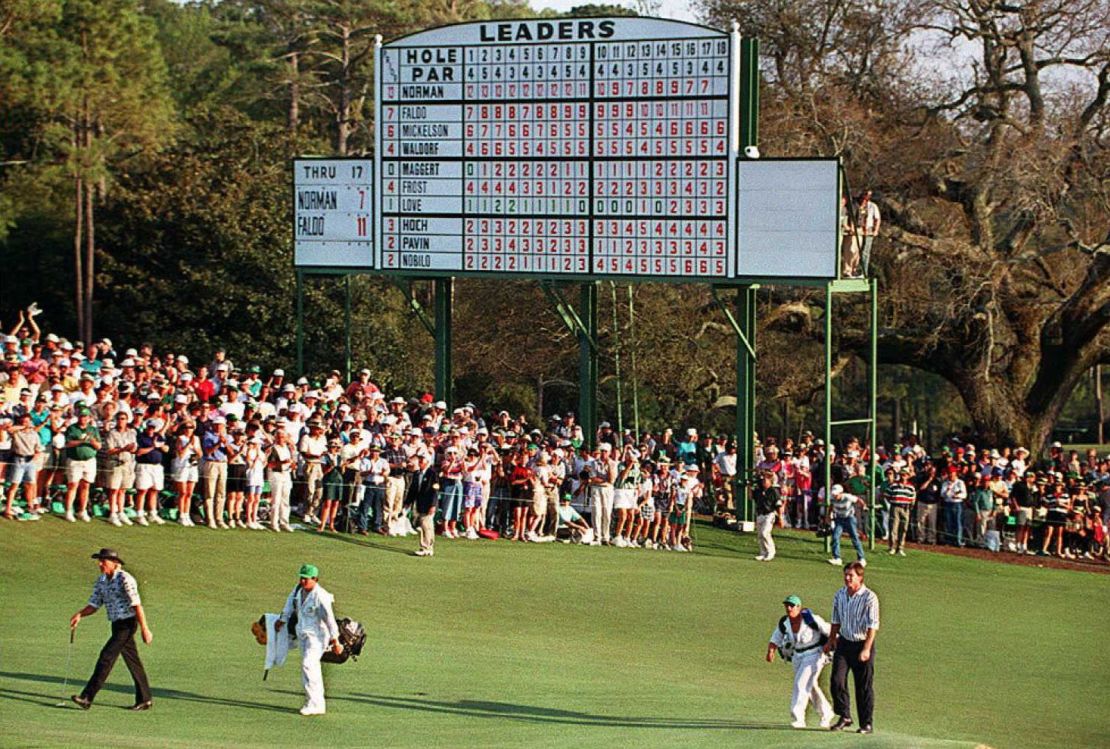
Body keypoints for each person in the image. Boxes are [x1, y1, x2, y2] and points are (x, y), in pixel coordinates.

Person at [69, 548, 154, 711]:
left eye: (104, 561)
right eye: (99, 561)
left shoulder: (125, 579)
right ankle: (145, 699)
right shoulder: (101, 581)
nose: (100, 564)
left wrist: (145, 629)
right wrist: (79, 615)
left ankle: (87, 697)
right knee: (133, 661)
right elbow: (94, 605)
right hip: (116, 624)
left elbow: (137, 605)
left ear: (115, 563)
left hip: (128, 624)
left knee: (106, 657)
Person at [275, 564, 342, 716]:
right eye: (301, 578)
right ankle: (317, 703)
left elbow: (330, 619)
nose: (303, 581)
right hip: (303, 633)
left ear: (315, 579)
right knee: (312, 668)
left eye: (306, 579)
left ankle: (313, 703)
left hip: (318, 637)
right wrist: (283, 619)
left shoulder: (320, 596)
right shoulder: (298, 589)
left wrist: (335, 640)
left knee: (308, 664)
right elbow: (289, 603)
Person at [824, 561, 879, 734]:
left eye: (851, 575)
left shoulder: (869, 597)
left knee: (863, 686)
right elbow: (835, 619)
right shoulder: (840, 594)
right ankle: (844, 715)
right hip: (844, 642)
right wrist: (831, 640)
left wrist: (866, 649)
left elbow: (873, 626)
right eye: (846, 575)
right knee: (836, 681)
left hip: (862, 643)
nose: (847, 578)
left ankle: (866, 723)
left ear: (860, 578)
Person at [766, 594, 835, 729]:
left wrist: (837, 643)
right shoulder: (784, 622)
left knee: (800, 684)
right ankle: (826, 713)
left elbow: (828, 630)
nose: (789, 608)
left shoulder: (810, 618)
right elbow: (776, 637)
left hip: (814, 654)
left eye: (792, 605)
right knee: (810, 686)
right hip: (797, 656)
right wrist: (771, 651)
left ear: (799, 607)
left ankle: (798, 718)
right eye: (787, 605)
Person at [827, 485, 867, 567]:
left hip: (849, 518)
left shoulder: (848, 497)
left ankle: (861, 558)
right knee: (835, 537)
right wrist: (828, 516)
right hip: (839, 518)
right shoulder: (832, 498)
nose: (835, 496)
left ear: (841, 493)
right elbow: (831, 506)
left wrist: (864, 506)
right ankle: (837, 558)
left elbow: (858, 500)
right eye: (834, 494)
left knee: (854, 537)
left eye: (836, 494)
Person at [753, 470, 781, 561]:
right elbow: (751, 497)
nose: (763, 482)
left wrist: (780, 517)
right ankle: (763, 552)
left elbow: (778, 504)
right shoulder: (759, 490)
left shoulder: (773, 491)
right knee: (760, 535)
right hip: (760, 513)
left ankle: (771, 552)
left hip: (769, 514)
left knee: (765, 533)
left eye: (766, 480)